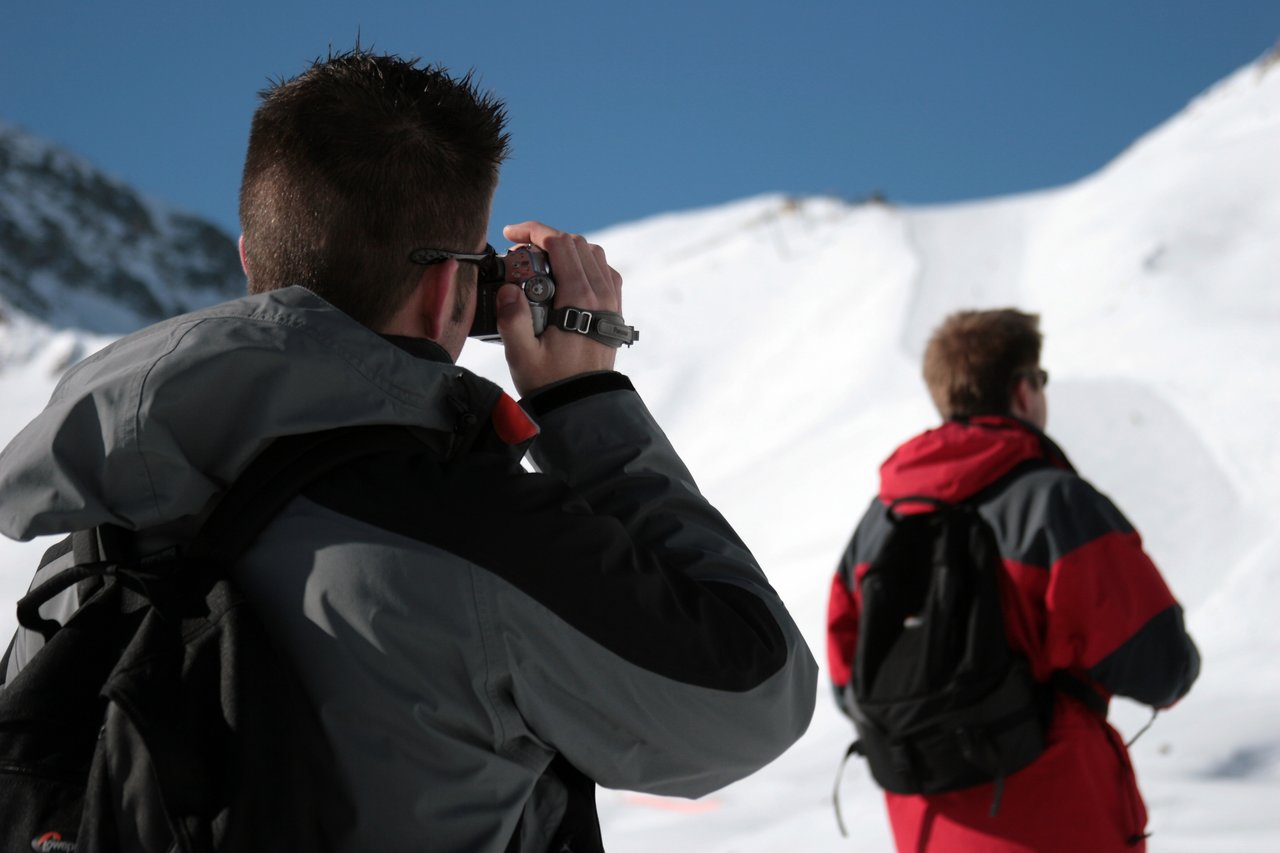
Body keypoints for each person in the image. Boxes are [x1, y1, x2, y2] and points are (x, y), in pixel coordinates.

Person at [0, 49, 818, 852]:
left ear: (253, 260)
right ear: (449, 292)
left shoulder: (90, 530)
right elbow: (756, 696)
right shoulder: (480, 538)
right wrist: (584, 401)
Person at [826, 309, 1199, 852]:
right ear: (1023, 391)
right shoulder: (1054, 503)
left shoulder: (879, 520)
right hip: (1060, 818)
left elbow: (847, 681)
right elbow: (1162, 668)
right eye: (1040, 381)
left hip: (926, 826)